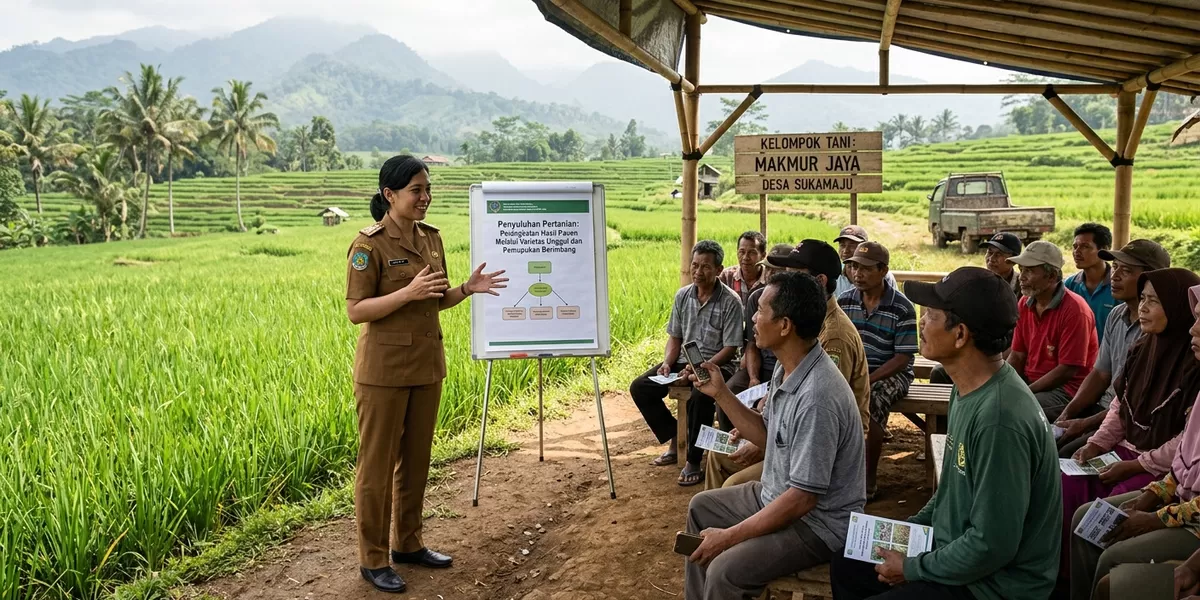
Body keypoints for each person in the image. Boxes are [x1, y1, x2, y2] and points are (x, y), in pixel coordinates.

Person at [831, 267, 1061, 600]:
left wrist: (911, 568)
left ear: (960, 334)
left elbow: (992, 545)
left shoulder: (999, 418)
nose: (921, 323)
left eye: (931, 316)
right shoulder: (966, 388)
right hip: (956, 550)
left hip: (993, 585)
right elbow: (952, 487)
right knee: (847, 560)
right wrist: (910, 527)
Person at [345, 155, 508, 594]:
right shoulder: (368, 245)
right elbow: (356, 311)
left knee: (416, 462)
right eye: (416, 190)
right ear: (390, 195)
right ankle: (373, 559)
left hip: (426, 367)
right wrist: (406, 293)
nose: (425, 197)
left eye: (427, 189)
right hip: (382, 372)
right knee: (376, 468)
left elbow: (434, 299)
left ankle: (409, 544)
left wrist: (466, 290)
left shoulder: (432, 239)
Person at [684, 272, 866, 600]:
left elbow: (802, 499)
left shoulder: (818, 397)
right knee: (701, 507)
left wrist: (728, 537)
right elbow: (768, 436)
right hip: (775, 494)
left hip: (817, 524)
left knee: (725, 570)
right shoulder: (789, 365)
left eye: (761, 311)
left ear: (784, 326)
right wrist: (721, 393)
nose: (753, 317)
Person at [1059, 268, 1200, 589]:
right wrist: (1096, 444)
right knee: (1072, 489)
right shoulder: (1143, 349)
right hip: (1163, 479)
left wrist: (1148, 495)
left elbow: (1176, 449)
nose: (1194, 329)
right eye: (1143, 299)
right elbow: (1121, 406)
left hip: (1161, 477)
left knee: (1108, 529)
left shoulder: (1193, 367)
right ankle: (1065, 581)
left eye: (1154, 301)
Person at [705, 240, 870, 490]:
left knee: (733, 486)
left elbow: (818, 421)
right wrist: (758, 424)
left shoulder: (831, 337)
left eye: (794, 275)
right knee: (717, 457)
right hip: (789, 433)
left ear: (819, 282)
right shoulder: (794, 341)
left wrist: (765, 443)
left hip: (818, 449)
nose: (785, 281)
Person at [630, 240, 743, 486]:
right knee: (640, 387)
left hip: (717, 364)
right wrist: (668, 364)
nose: (698, 272)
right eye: (694, 265)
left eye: (705, 267)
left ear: (719, 269)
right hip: (683, 362)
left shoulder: (731, 301)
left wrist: (701, 368)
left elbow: (730, 347)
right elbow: (675, 337)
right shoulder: (683, 296)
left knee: (701, 396)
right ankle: (675, 436)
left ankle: (693, 458)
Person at [1055, 239, 1172, 456]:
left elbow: (1135, 402)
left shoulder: (1158, 328)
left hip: (1126, 418)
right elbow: (1100, 374)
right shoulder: (1117, 315)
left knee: (1063, 454)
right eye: (1115, 267)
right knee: (1044, 430)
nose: (1114, 276)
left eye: (1125, 270)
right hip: (1104, 407)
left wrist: (1085, 423)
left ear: (1151, 278)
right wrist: (1068, 413)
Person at [838, 241, 918, 499]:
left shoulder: (902, 307)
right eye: (853, 267)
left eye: (865, 269)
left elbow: (904, 358)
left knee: (871, 401)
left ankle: (868, 478)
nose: (857, 274)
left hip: (891, 372)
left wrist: (867, 379)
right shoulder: (844, 301)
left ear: (883, 270)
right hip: (854, 371)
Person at [1007, 240, 1098, 422]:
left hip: (1067, 391)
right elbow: (1017, 356)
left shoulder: (1075, 310)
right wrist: (1002, 383)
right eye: (1022, 269)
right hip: (1033, 383)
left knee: (1013, 409)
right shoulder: (1025, 303)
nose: (1022, 276)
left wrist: (1025, 391)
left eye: (1030, 271)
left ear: (1051, 277)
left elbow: (1067, 371)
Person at [1065, 223, 1115, 344]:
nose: (1076, 252)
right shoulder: (1070, 285)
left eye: (1085, 247)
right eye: (1075, 246)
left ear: (1104, 249)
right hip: (1076, 357)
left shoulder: (1118, 286)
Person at [833, 225, 896, 298]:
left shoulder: (883, 275)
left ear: (865, 247)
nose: (845, 251)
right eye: (842, 245)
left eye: (852, 245)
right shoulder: (833, 273)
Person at [719, 230, 768, 306]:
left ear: (763, 255)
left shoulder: (770, 279)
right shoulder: (726, 277)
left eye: (752, 253)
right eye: (742, 252)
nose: (745, 257)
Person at [983, 232, 1023, 297]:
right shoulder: (977, 282)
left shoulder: (1023, 286)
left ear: (1014, 260)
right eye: (990, 252)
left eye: (999, 254)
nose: (991, 259)